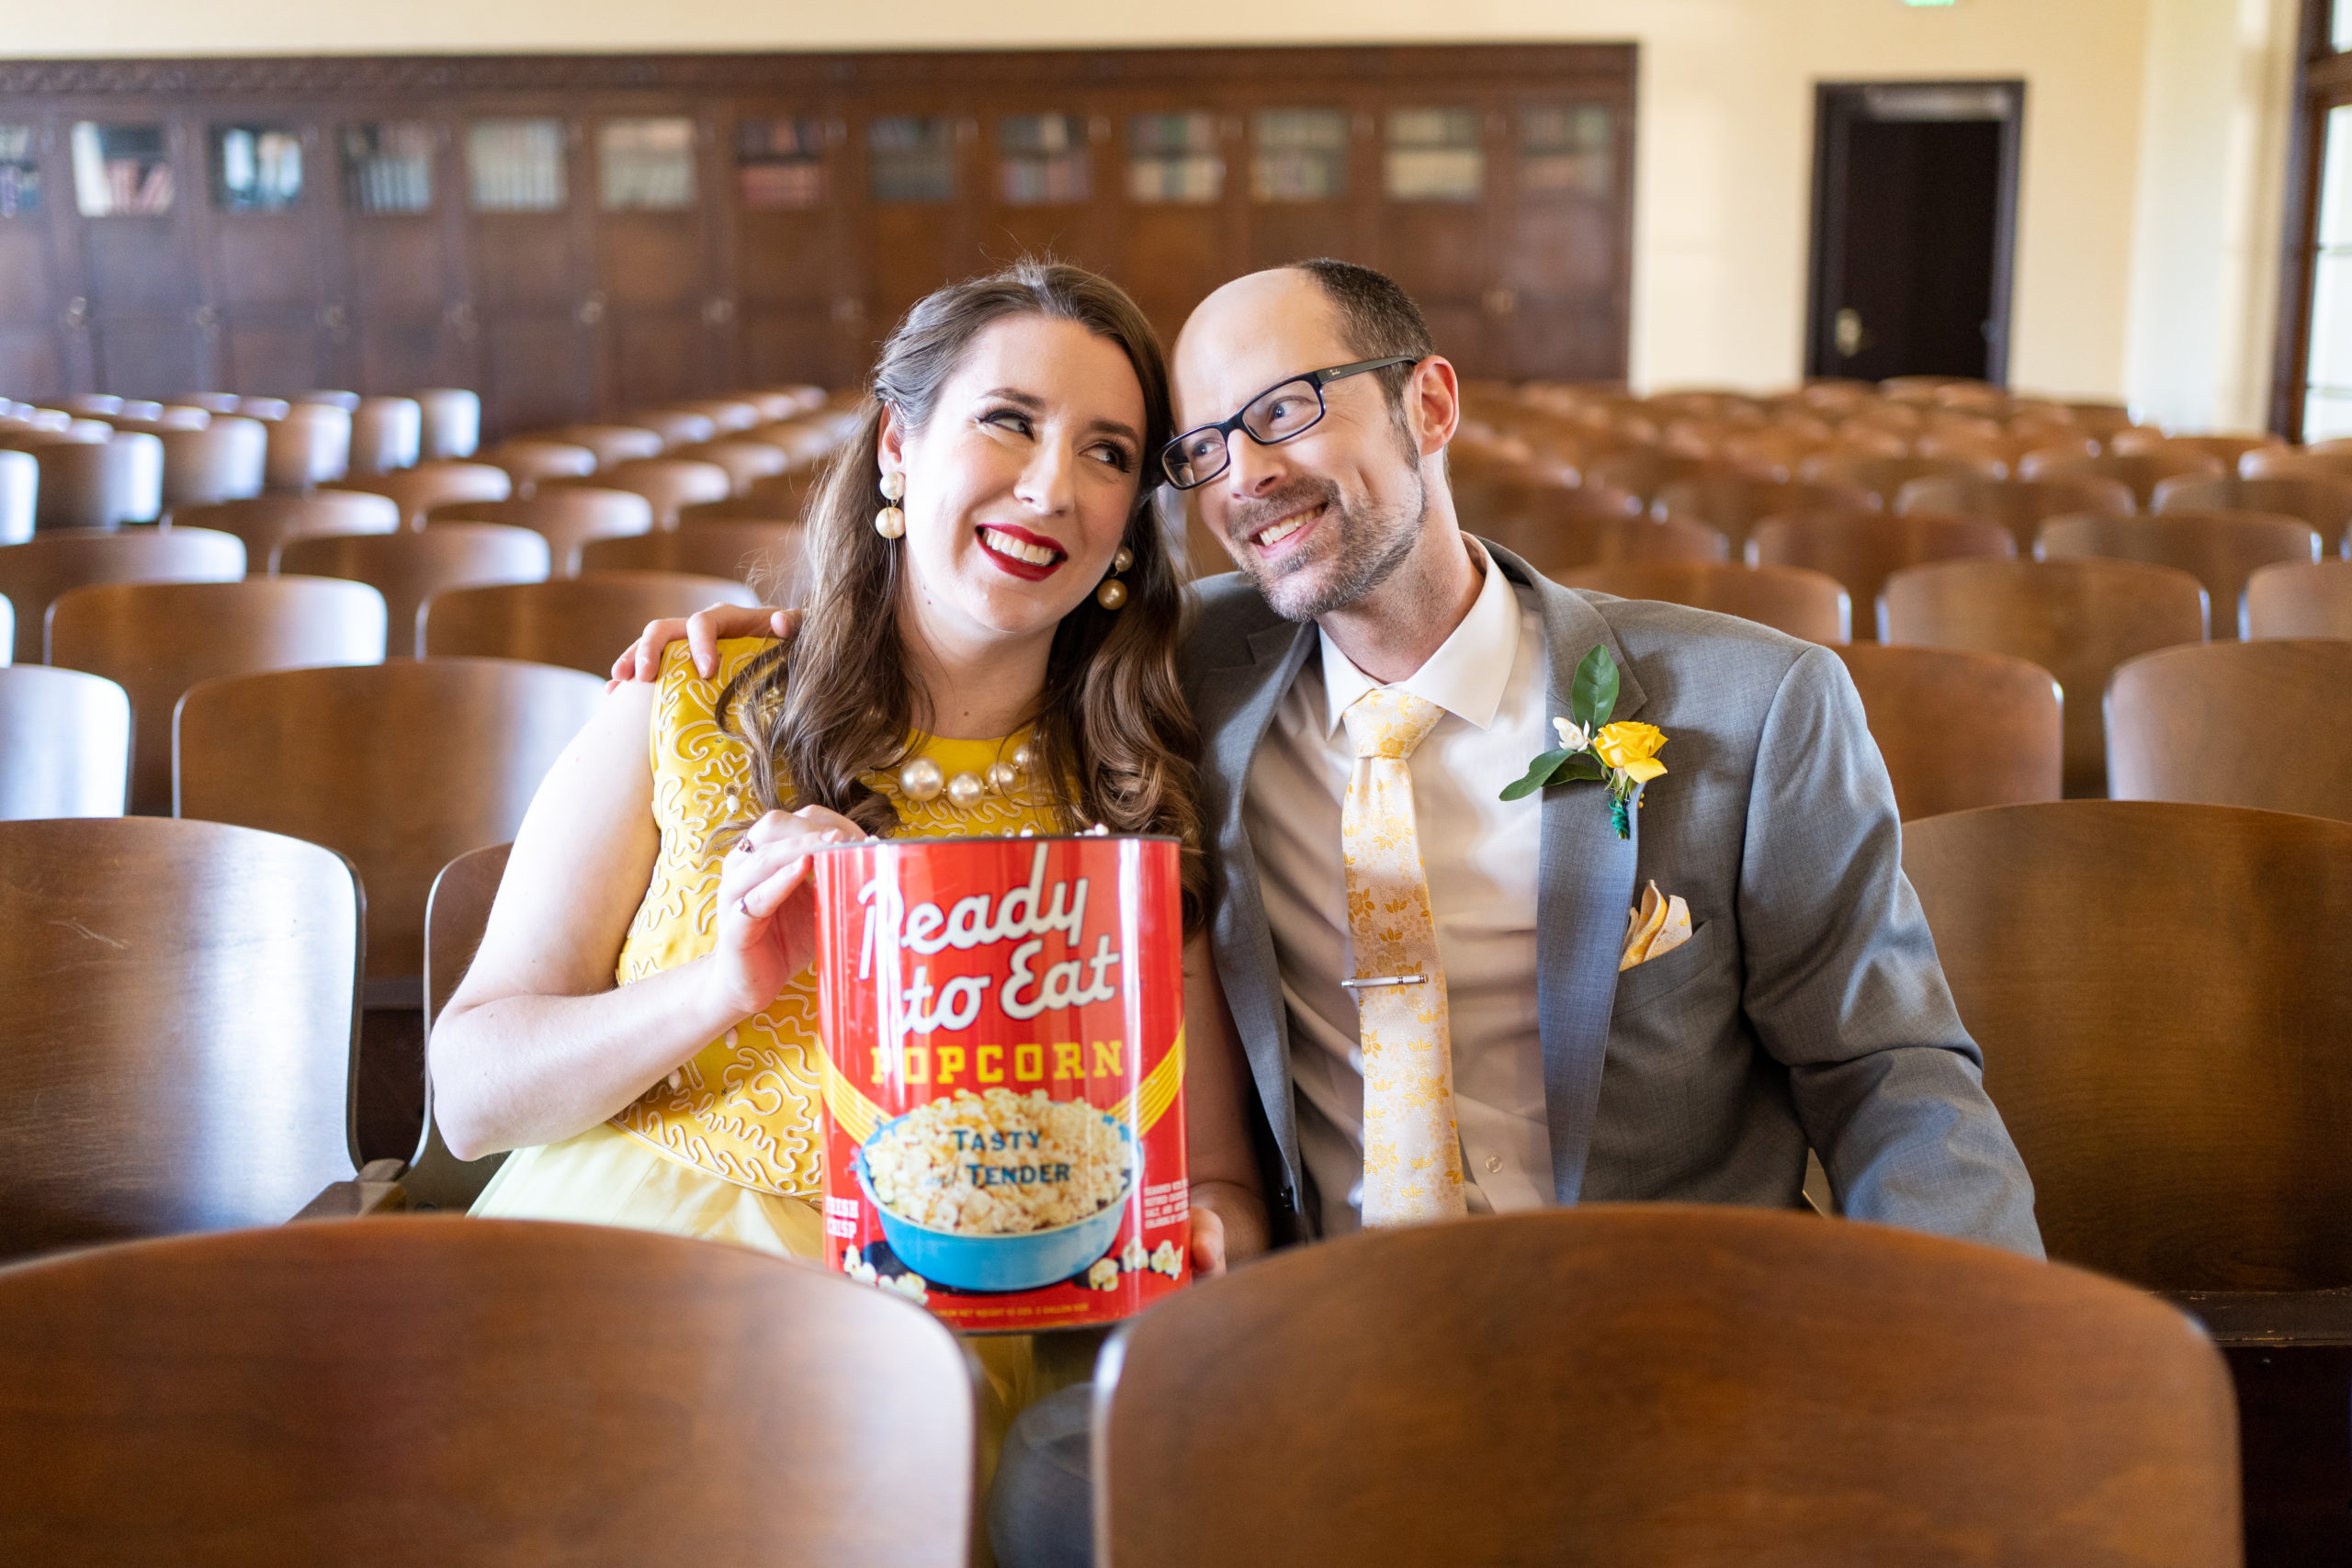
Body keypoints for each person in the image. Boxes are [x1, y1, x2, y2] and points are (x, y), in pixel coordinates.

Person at [623, 257, 2041, 1568]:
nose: (1247, 475)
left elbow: (1888, 1070)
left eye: (1288, 409)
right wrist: (779, 640)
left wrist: (1974, 1351)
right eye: (1201, 449)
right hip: (1327, 1328)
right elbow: (963, 623)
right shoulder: (1179, 679)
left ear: (1430, 404)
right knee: (1061, 1480)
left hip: (1650, 1319)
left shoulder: (1754, 702)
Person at [429, 260, 1268, 1524]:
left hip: (933, 1342)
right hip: (621, 1270)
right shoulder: (690, 705)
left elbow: (1217, 1187)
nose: (1052, 486)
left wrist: (1196, 1242)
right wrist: (720, 987)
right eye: (1009, 420)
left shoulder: (1133, 806)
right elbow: (469, 1099)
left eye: (1107, 453)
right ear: (897, 445)